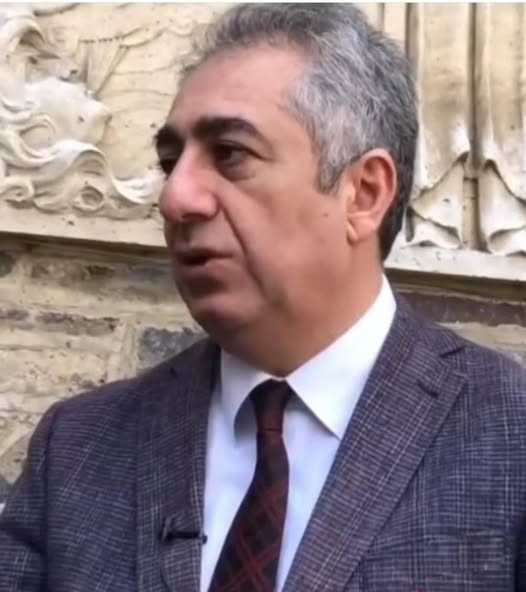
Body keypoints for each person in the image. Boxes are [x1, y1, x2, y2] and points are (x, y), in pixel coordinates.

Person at [1, 4, 525, 591]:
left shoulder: (508, 431)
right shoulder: (80, 447)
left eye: (230, 154)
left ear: (363, 192)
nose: (176, 198)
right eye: (170, 163)